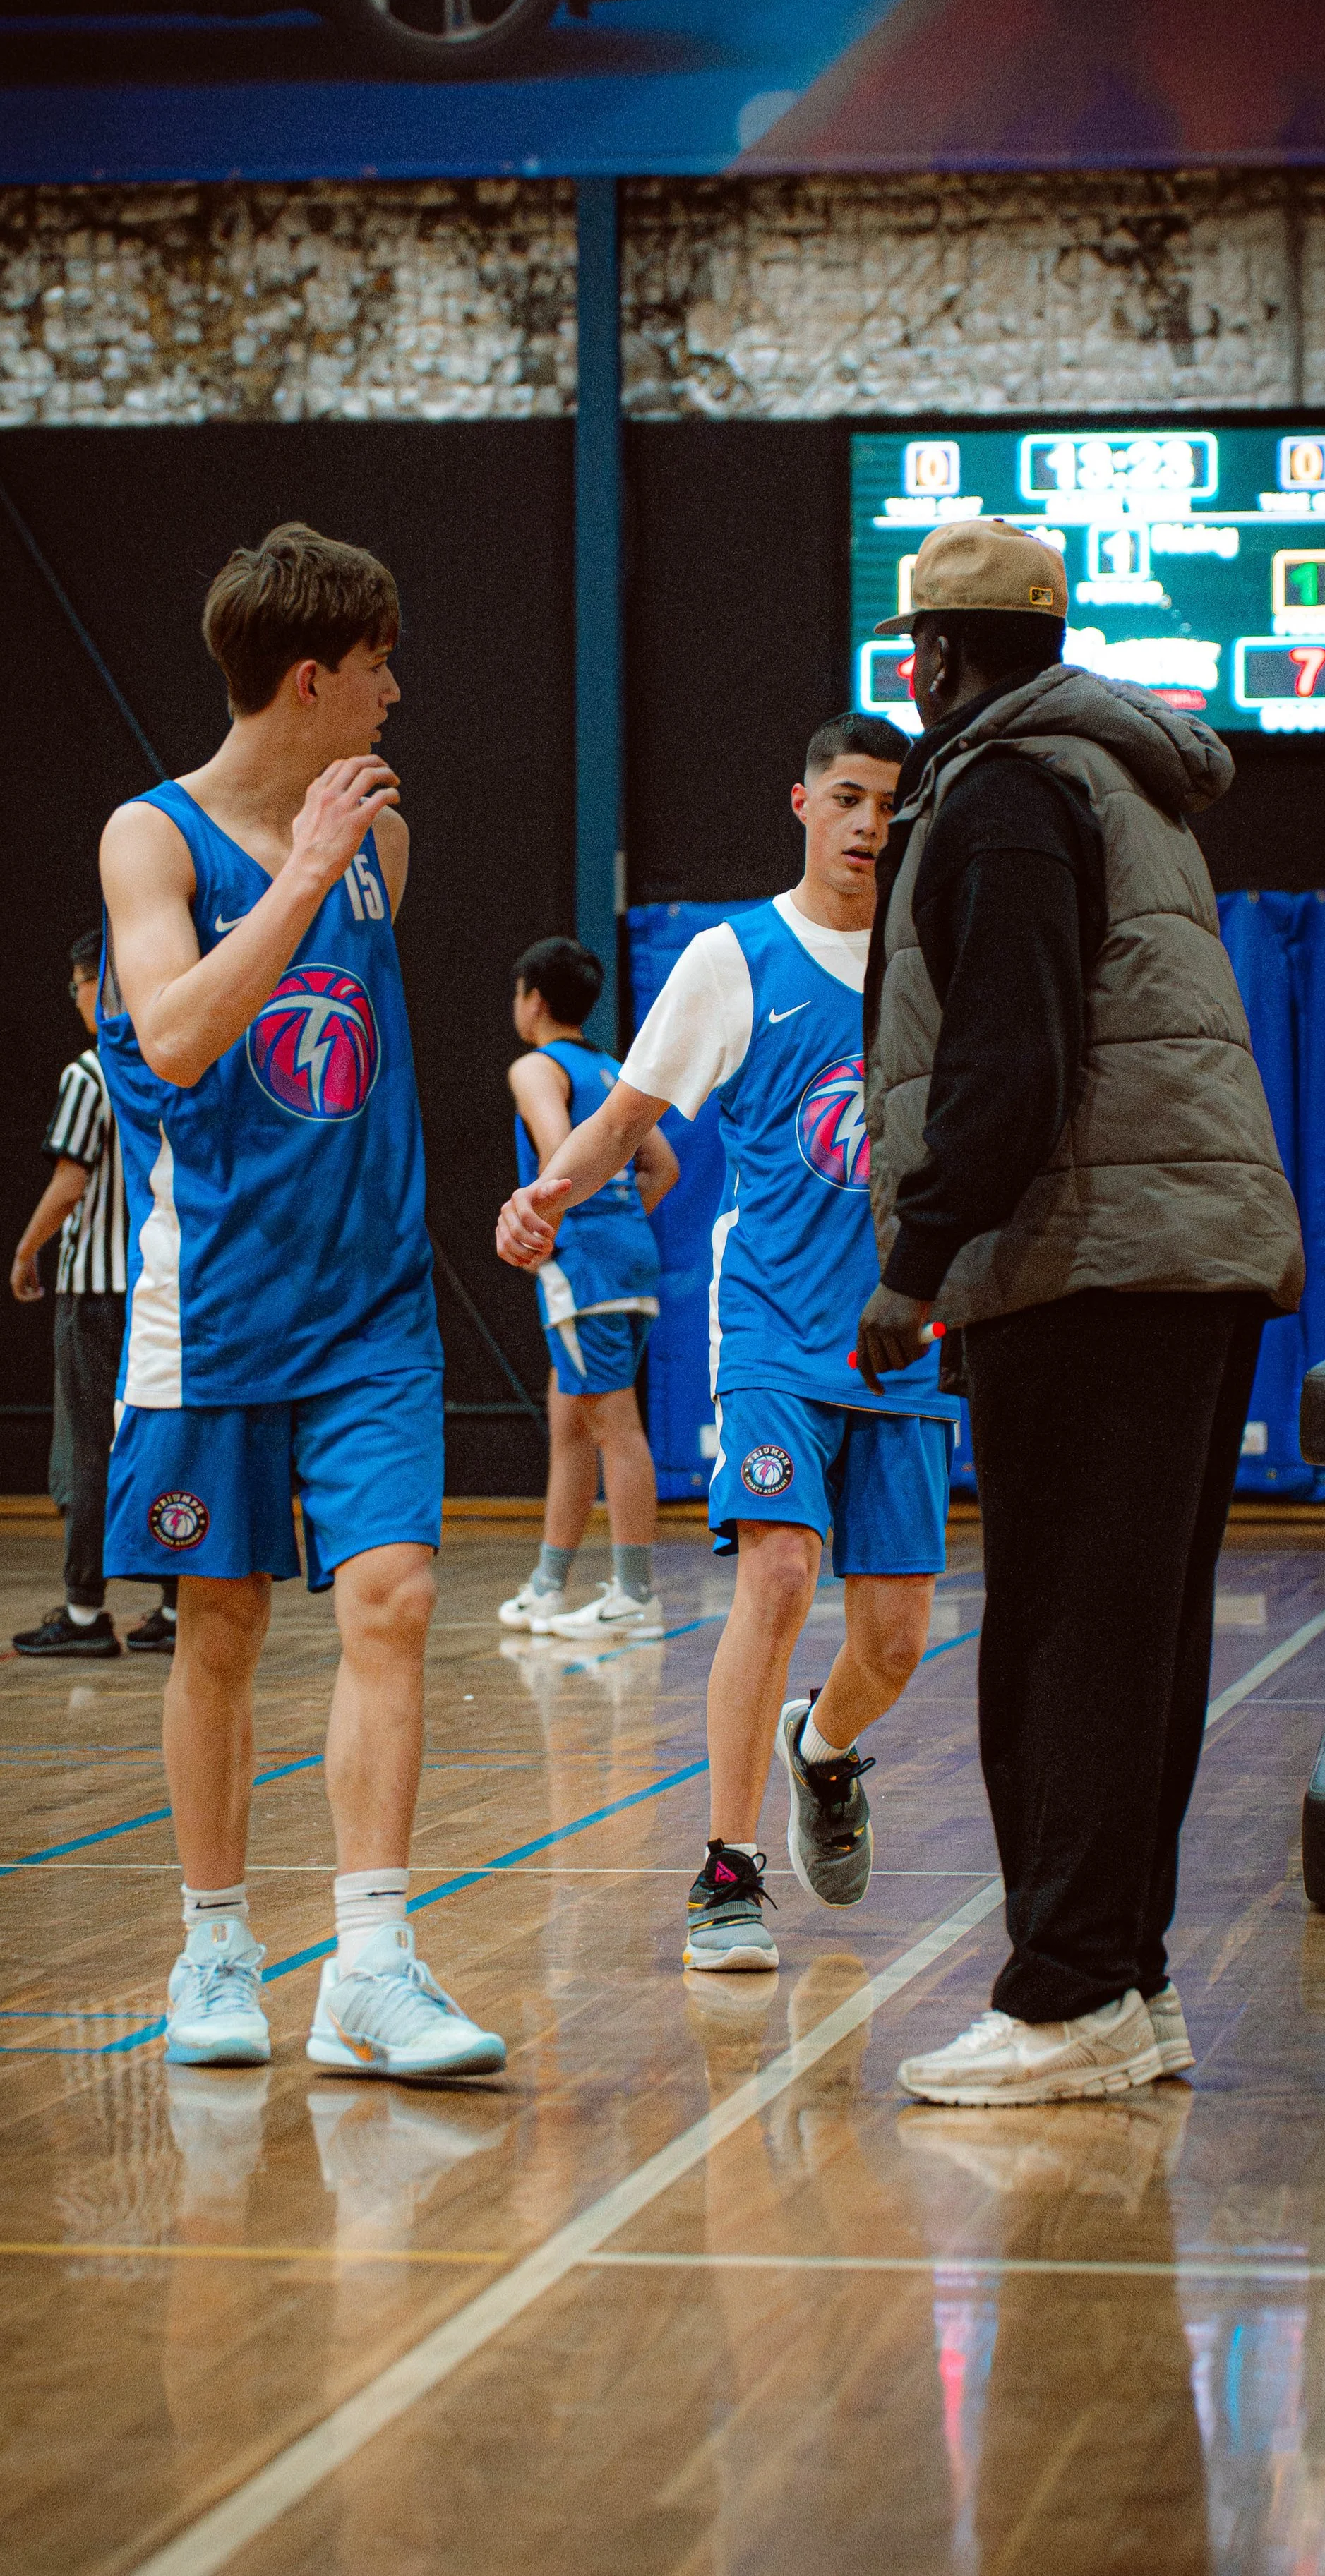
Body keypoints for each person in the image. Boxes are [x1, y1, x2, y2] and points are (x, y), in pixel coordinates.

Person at [854, 517, 1304, 2106]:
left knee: (1062, 1643)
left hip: (1097, 1264)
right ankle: (1127, 1980)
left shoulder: (1003, 793)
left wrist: (911, 1273)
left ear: (936, 655)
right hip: (1160, 1261)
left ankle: (1064, 1999)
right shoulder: (1105, 774)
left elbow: (1008, 1067)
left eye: (912, 650)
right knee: (1129, 1642)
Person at [97, 518, 503, 2079]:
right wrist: (303, 875)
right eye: (382, 665)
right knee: (220, 1626)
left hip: (370, 1314)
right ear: (313, 677)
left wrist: (339, 860)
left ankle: (373, 1966)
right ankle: (213, 1945)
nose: (399, 694)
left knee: (390, 1601)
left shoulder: (383, 842)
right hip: (211, 1311)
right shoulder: (152, 837)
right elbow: (180, 1033)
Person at [498, 713, 960, 1973]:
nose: (871, 823)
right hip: (768, 1326)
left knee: (897, 1642)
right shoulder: (732, 958)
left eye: (891, 805)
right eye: (850, 797)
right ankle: (726, 1876)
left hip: (904, 1339)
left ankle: (819, 1748)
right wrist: (545, 1197)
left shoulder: (936, 961)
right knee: (776, 1575)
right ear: (803, 804)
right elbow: (626, 1118)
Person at [498, 934, 679, 1642]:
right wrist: (619, 1224)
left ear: (533, 1000)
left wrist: (560, 1229)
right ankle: (548, 1586)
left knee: (613, 1426)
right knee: (571, 1422)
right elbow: (660, 1169)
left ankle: (635, 1595)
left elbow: (554, 1152)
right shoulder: (610, 1069)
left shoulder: (536, 1067)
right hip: (630, 1259)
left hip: (585, 1264)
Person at [8, 929, 173, 1662]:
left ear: (96, 985)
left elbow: (70, 1182)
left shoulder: (90, 1071)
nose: (74, 997)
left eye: (77, 982)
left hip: (94, 1288)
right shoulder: (174, 1060)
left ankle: (83, 1610)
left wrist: (25, 1247)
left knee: (86, 1449)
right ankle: (176, 1598)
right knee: (163, 1440)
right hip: (156, 1283)